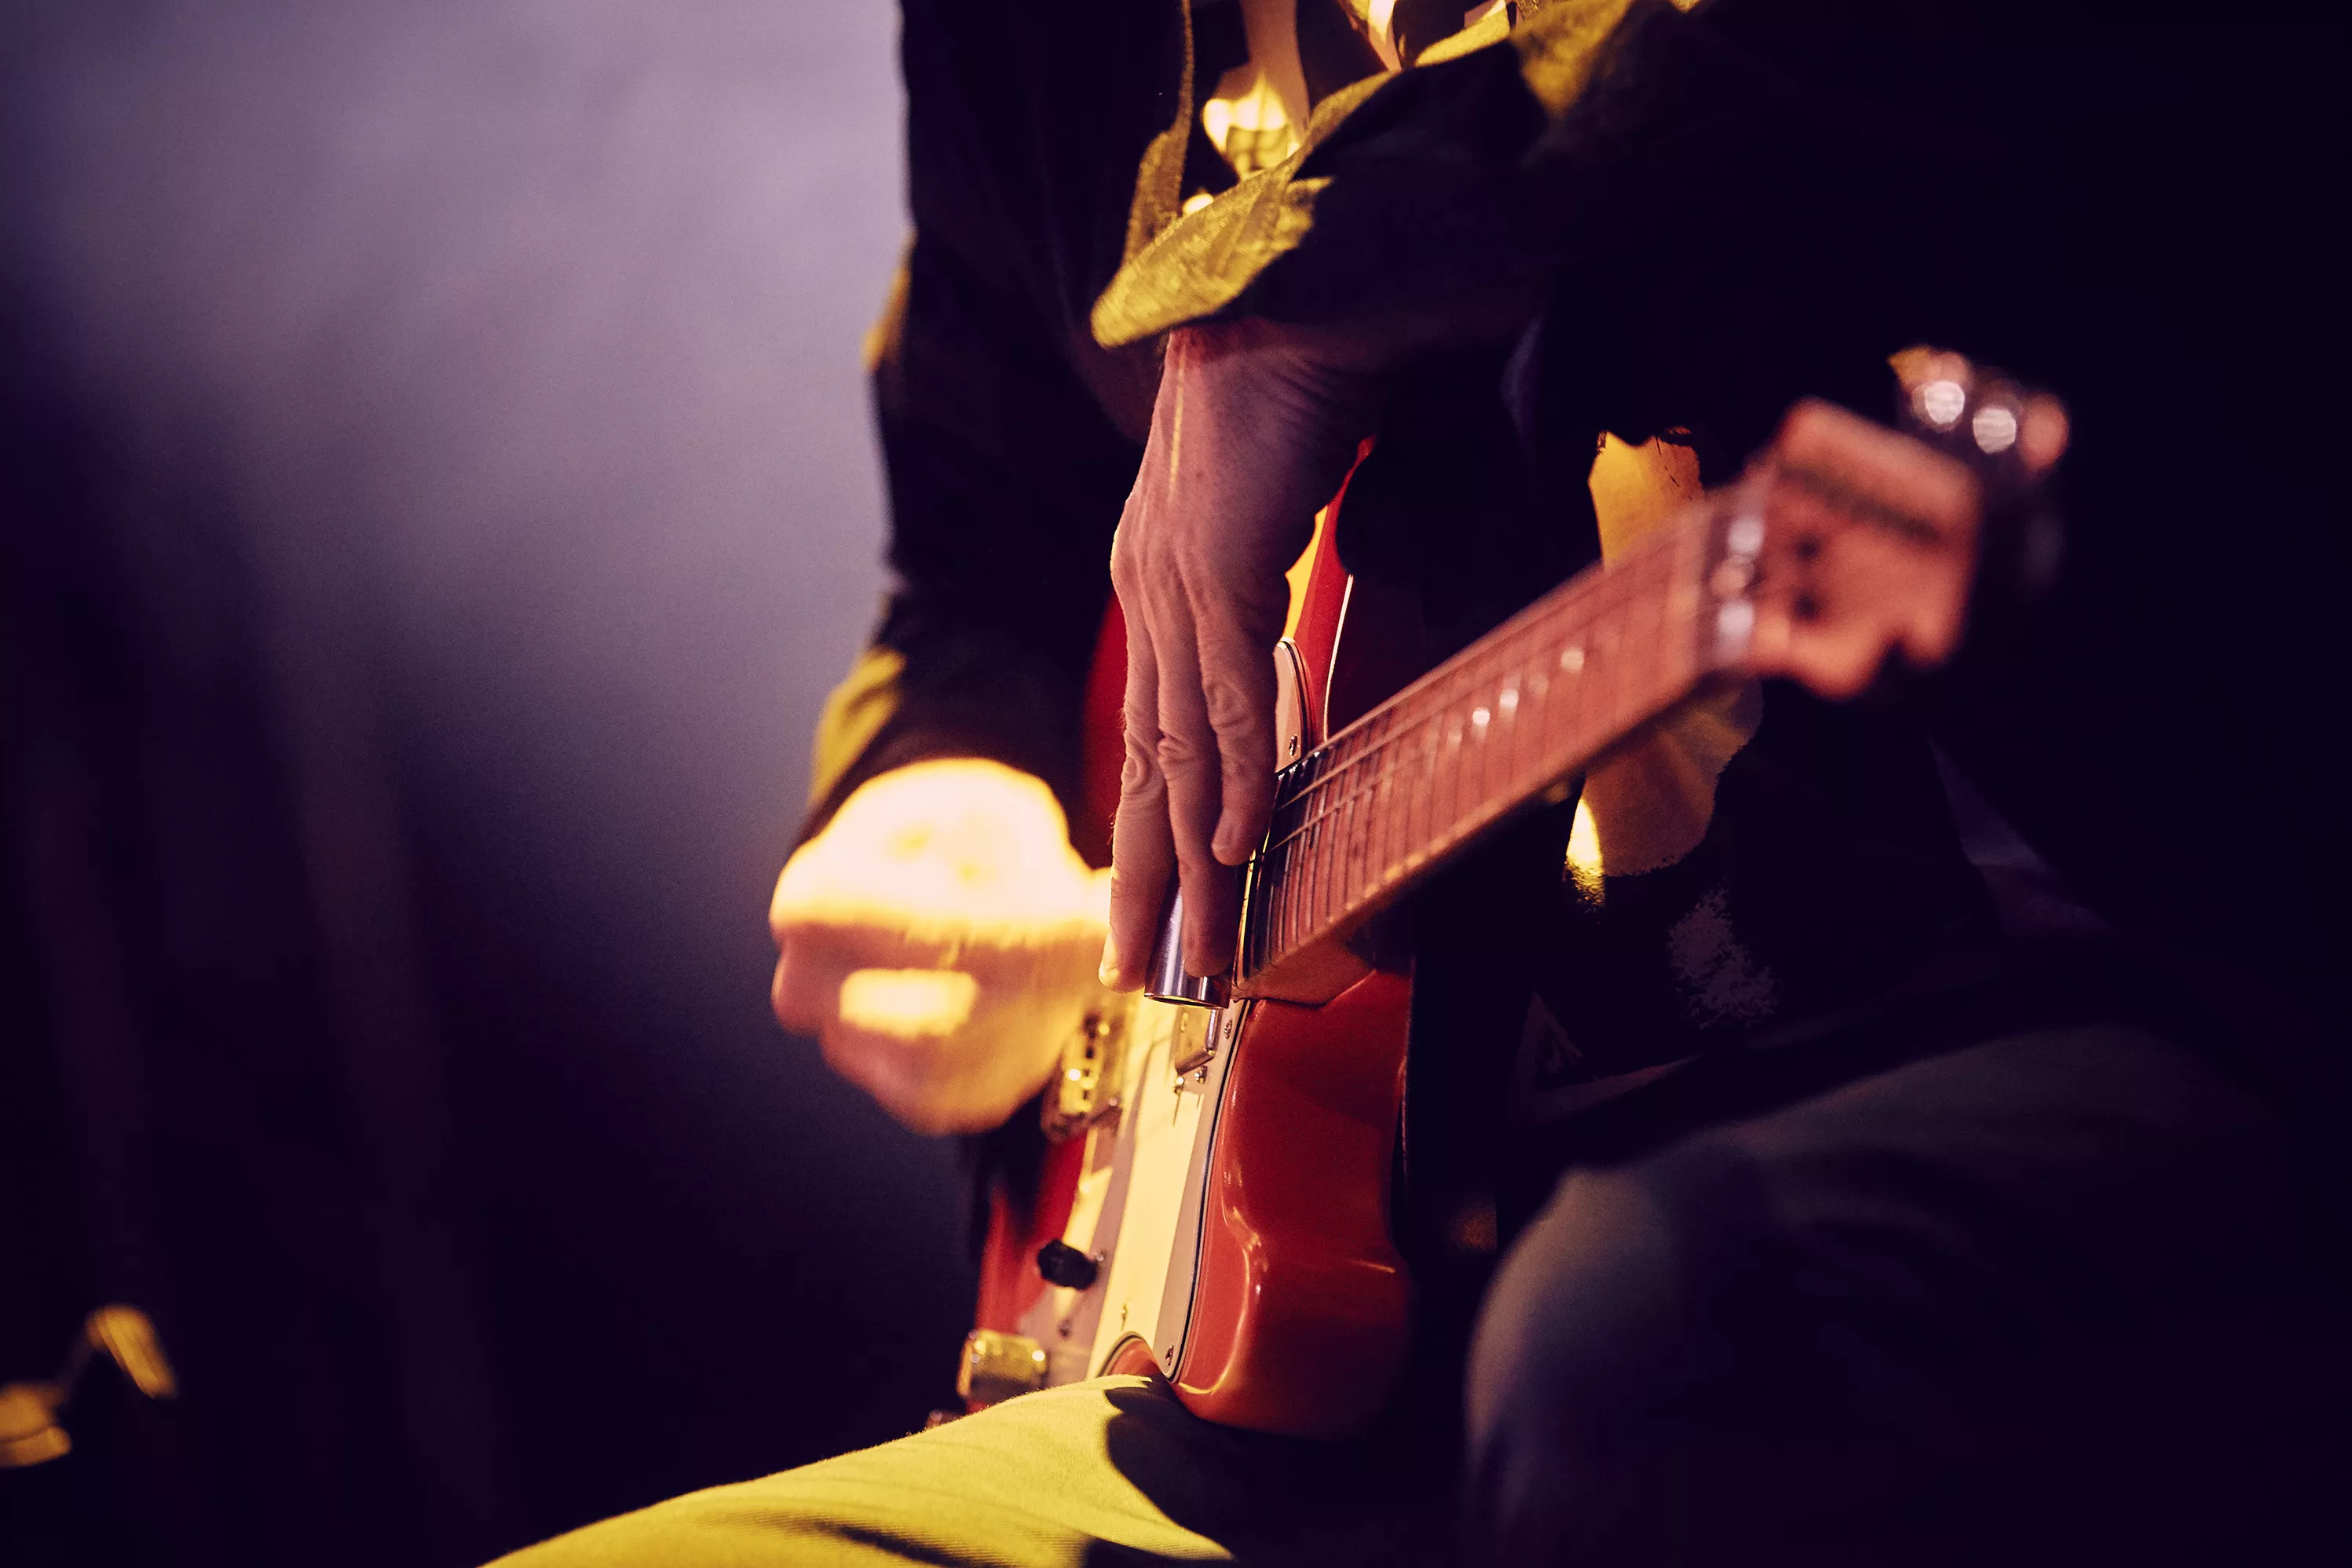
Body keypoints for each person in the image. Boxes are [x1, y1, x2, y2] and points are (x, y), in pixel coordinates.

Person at [499, 2, 2349, 1563]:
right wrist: (951, 791)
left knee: (1647, 1339)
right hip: (1341, 1302)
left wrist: (1303, 291)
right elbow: (980, 541)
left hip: (2132, 1025)